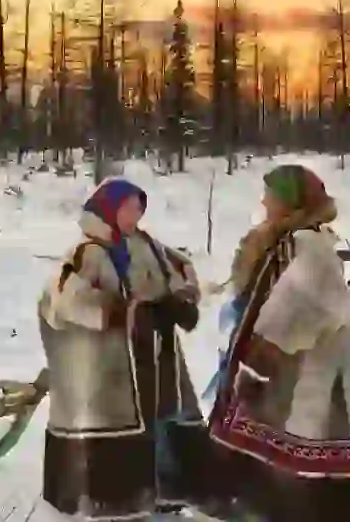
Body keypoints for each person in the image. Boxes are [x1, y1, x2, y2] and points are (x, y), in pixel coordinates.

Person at [37, 178, 221, 519]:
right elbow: (62, 299)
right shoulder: (87, 252)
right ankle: (115, 498)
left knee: (165, 415)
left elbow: (181, 271)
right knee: (124, 426)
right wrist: (119, 312)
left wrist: (180, 299)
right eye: (128, 208)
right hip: (114, 364)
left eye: (139, 207)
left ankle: (168, 487)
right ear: (108, 209)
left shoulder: (147, 244)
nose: (136, 214)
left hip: (156, 350)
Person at [208, 165, 350, 521]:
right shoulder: (302, 240)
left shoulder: (310, 244)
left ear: (290, 201)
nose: (263, 201)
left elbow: (303, 306)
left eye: (270, 195)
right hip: (296, 365)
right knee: (281, 447)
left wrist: (261, 353)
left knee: (304, 451)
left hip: (303, 366)